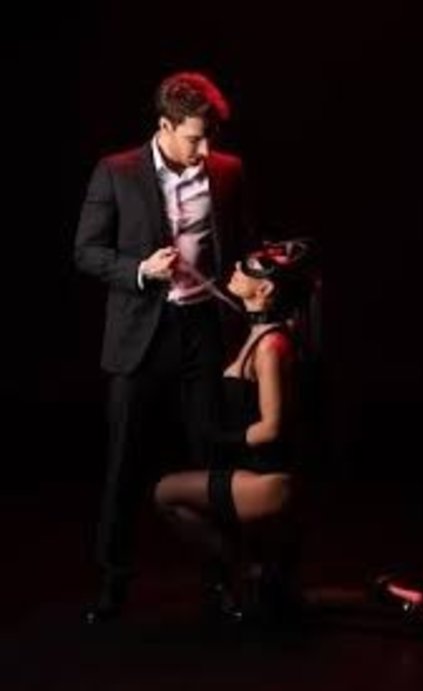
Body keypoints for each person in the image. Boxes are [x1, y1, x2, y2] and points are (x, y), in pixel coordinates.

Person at [74, 71, 254, 624]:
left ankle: (221, 582)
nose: (206, 149)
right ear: (165, 126)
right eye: (196, 137)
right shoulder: (116, 171)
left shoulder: (227, 172)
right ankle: (113, 585)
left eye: (211, 137)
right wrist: (140, 270)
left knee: (212, 459)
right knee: (125, 461)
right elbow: (86, 251)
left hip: (203, 333)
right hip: (140, 336)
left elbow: (239, 245)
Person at [154, 239, 316, 625]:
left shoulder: (270, 346)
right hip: (255, 474)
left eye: (247, 268)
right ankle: (255, 570)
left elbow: (272, 427)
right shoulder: (260, 335)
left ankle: (243, 567)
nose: (236, 270)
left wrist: (220, 439)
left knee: (164, 493)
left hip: (268, 482)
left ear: (266, 288)